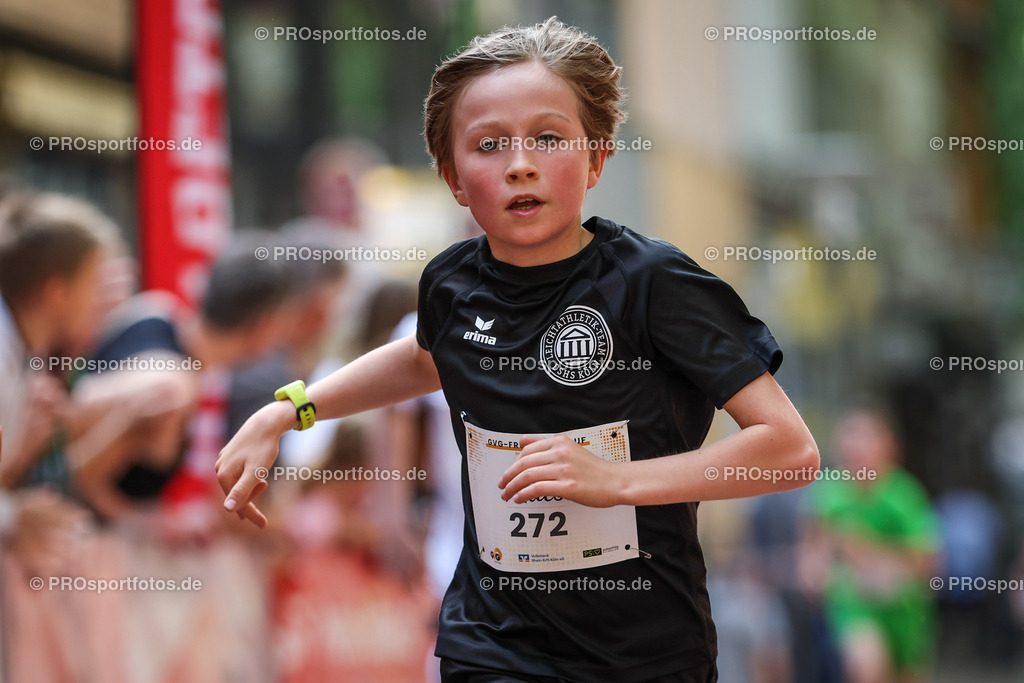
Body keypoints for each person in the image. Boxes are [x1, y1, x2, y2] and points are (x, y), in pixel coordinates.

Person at [217, 17, 819, 682]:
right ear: (452, 176)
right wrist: (290, 408)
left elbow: (789, 448)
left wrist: (615, 482)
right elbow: (423, 359)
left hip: (642, 656)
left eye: (549, 136)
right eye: (489, 144)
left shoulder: (655, 284)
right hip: (490, 642)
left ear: (597, 156)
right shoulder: (451, 282)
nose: (520, 162)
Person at [807, 408, 940, 683]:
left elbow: (928, 563)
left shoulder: (904, 496)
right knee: (865, 665)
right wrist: (817, 570)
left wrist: (869, 555)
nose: (856, 449)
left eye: (865, 440)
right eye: (849, 441)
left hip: (904, 610)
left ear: (888, 447)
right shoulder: (830, 495)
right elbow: (813, 553)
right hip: (853, 604)